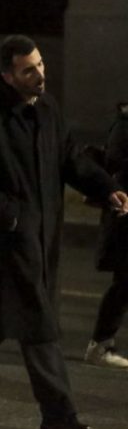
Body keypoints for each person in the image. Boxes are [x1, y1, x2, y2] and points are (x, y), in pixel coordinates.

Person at [0, 35, 128, 429]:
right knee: (40, 326)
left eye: (40, 65)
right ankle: (58, 415)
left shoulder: (48, 109)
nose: (39, 74)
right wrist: (12, 217)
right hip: (9, 241)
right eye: (28, 70)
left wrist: (107, 187)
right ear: (7, 75)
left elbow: (70, 159)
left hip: (43, 238)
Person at [84, 102, 128, 368]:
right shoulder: (124, 126)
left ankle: (101, 343)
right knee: (124, 283)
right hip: (124, 216)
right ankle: (100, 343)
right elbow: (115, 165)